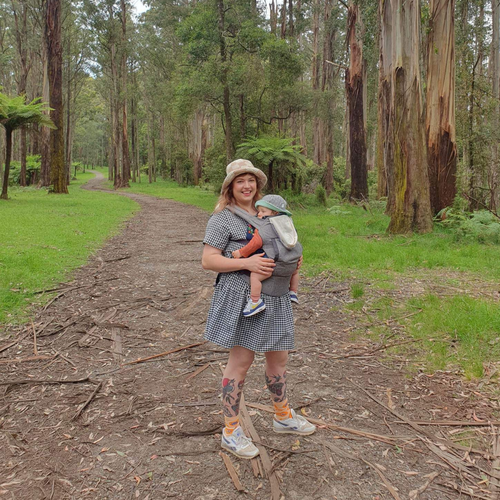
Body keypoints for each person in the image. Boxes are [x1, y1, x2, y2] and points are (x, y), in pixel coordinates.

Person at [201, 159, 316, 460]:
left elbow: (285, 245)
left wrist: (292, 261)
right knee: (241, 361)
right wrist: (246, 263)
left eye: (251, 180)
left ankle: (282, 415)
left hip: (277, 295)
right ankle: (230, 431)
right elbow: (209, 260)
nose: (247, 186)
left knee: (279, 358)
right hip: (245, 297)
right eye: (240, 181)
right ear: (230, 186)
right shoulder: (222, 219)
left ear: (258, 185)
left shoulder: (272, 215)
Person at [232, 194, 300, 317]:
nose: (259, 214)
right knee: (295, 272)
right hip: (291, 264)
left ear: (274, 212)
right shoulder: (288, 223)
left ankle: (255, 301)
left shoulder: (266, 225)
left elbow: (255, 243)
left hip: (273, 264)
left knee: (255, 277)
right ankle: (293, 292)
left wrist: (240, 253)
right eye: (259, 211)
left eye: (263, 211)